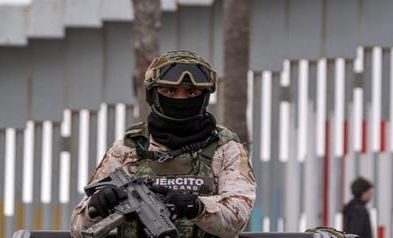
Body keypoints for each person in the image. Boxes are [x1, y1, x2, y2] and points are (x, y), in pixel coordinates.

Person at [71, 50, 257, 238]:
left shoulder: (225, 147)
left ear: (204, 97)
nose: (180, 100)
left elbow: (238, 217)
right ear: (153, 95)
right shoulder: (130, 147)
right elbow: (78, 228)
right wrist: (96, 206)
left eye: (191, 92)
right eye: (170, 91)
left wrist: (196, 207)